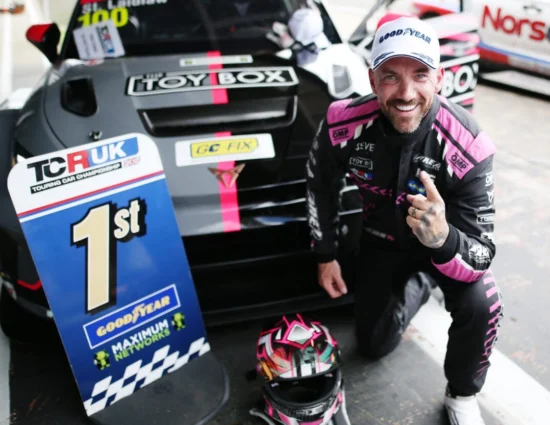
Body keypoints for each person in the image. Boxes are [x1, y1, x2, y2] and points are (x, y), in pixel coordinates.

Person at [305, 16, 503, 425]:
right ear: (372, 80)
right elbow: (320, 186)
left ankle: (462, 394)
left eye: (420, 75)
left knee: (484, 300)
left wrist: (443, 238)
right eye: (391, 76)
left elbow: (481, 254)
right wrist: (326, 255)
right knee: (373, 346)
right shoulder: (341, 122)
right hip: (381, 242)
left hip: (447, 247)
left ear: (440, 79)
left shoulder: (470, 143)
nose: (406, 93)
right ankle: (421, 283)